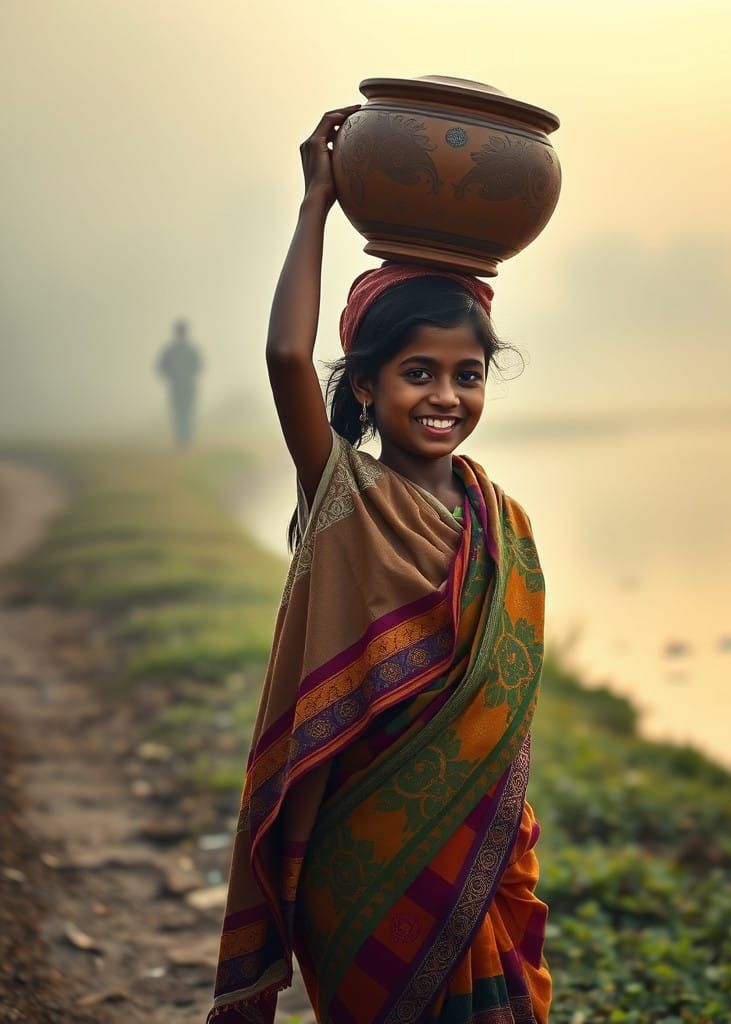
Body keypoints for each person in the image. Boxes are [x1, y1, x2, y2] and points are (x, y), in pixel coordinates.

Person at [207, 108, 552, 1024]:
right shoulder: (345, 494)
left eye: (466, 374)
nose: (446, 396)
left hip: (477, 851)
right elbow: (287, 354)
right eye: (417, 373)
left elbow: (497, 714)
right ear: (366, 385)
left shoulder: (500, 521)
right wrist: (316, 202)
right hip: (362, 851)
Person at [156, 318, 203, 449]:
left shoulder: (173, 350)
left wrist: (173, 376)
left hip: (181, 388)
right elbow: (199, 366)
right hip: (184, 388)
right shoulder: (188, 350)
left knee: (182, 414)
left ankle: (184, 441)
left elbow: (199, 366)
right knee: (184, 414)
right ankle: (183, 441)